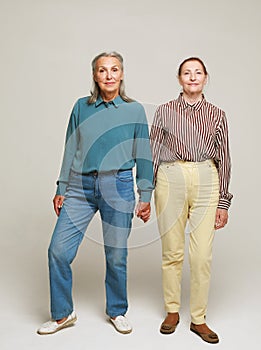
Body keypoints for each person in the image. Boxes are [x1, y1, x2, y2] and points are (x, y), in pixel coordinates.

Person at [37, 52, 154, 335]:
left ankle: (117, 310)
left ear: (122, 74)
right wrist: (61, 186)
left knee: (116, 254)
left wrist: (146, 194)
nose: (109, 75)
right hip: (80, 187)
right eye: (103, 70)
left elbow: (144, 153)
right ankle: (63, 314)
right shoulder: (81, 107)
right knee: (58, 250)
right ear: (95, 76)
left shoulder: (134, 109)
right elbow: (70, 148)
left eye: (114, 69)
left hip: (119, 187)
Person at [150, 57, 233, 343]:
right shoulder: (164, 111)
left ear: (206, 78)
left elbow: (225, 158)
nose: (193, 77)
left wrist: (223, 202)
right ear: (179, 78)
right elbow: (152, 151)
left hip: (206, 177)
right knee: (172, 251)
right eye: (187, 73)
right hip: (170, 176)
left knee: (201, 257)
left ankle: (198, 319)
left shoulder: (218, 114)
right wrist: (145, 195)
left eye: (198, 73)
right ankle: (172, 310)